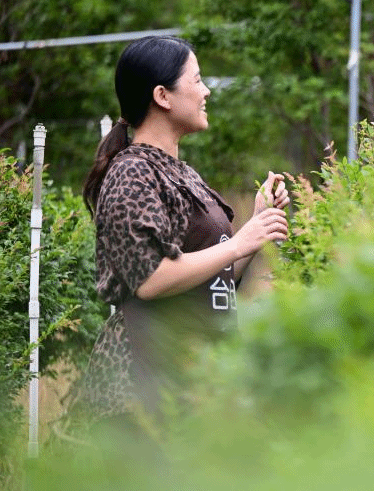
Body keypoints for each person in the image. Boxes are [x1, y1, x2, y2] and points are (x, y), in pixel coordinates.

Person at [73, 36, 290, 438]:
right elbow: (152, 279)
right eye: (197, 79)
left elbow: (210, 273)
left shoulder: (182, 172)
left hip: (191, 378)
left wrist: (256, 225)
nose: (207, 91)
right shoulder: (131, 173)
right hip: (140, 387)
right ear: (163, 96)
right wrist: (241, 241)